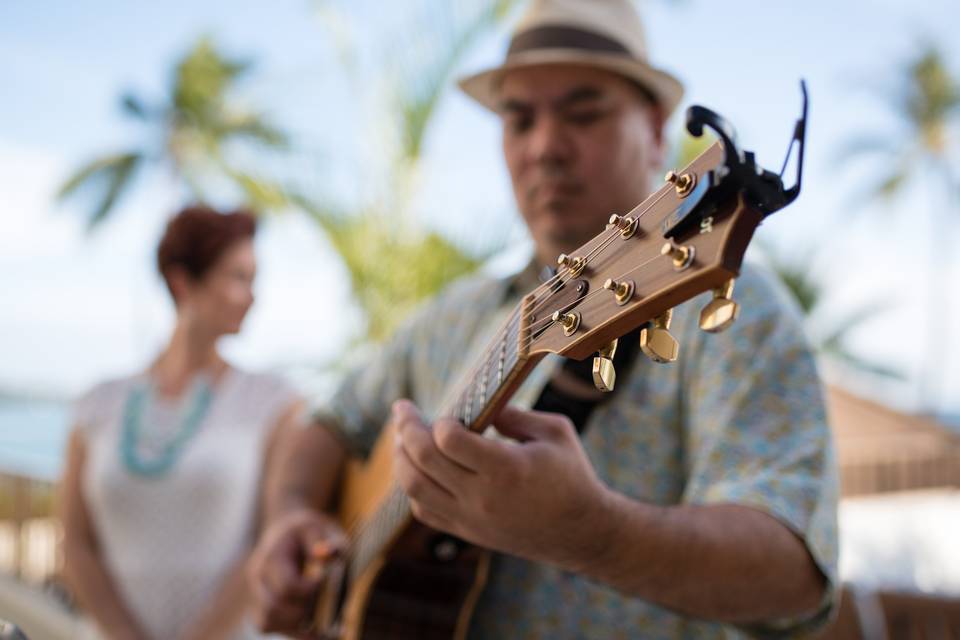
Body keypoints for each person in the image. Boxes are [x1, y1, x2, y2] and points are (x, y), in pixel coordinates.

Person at [249, 0, 839, 637]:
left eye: (584, 112)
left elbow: (795, 575)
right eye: (519, 118)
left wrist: (595, 535)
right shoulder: (452, 318)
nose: (546, 146)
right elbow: (329, 422)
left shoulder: (727, 307)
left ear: (655, 127)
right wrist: (290, 518)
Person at [59, 206, 302, 640]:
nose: (252, 295)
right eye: (238, 277)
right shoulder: (97, 405)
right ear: (182, 282)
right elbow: (75, 544)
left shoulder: (274, 404)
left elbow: (268, 539)